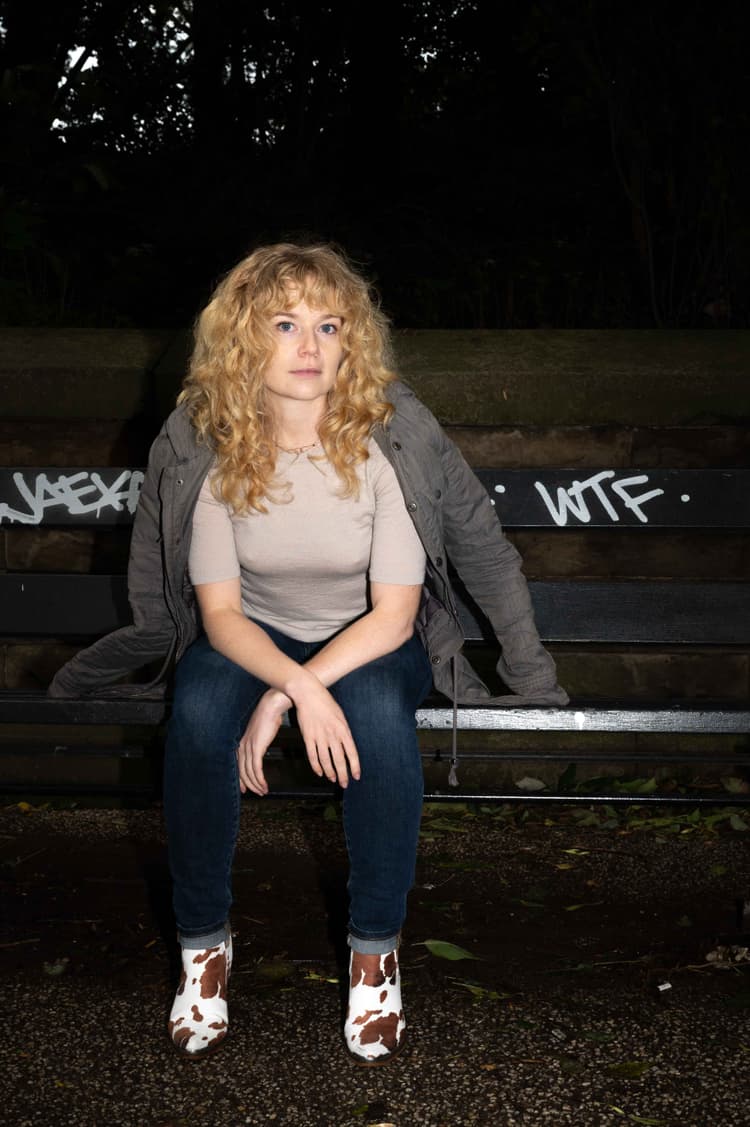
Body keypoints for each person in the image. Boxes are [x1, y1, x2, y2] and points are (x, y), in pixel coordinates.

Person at [48, 242, 567, 1064]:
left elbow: (403, 609)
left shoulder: (386, 436)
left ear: (352, 341)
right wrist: (284, 681)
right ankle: (203, 949)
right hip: (249, 633)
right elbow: (217, 615)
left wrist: (293, 696)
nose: (309, 346)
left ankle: (374, 954)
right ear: (242, 342)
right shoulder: (206, 440)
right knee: (202, 709)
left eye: (329, 325)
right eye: (284, 324)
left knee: (377, 714)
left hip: (370, 633)